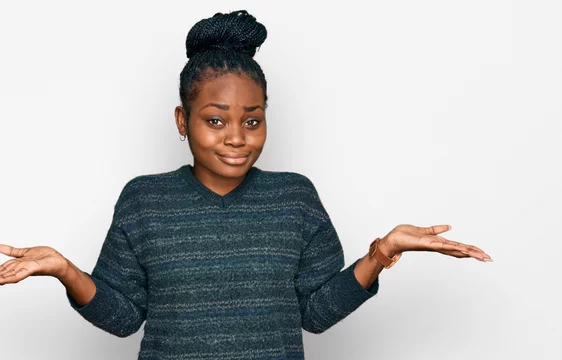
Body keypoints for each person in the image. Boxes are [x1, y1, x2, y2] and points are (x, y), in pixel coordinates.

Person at [0, 9, 492, 360]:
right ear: (182, 119)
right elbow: (125, 318)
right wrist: (65, 270)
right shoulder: (144, 200)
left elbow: (316, 314)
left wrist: (381, 253)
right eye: (215, 121)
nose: (237, 138)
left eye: (252, 121)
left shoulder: (295, 197)